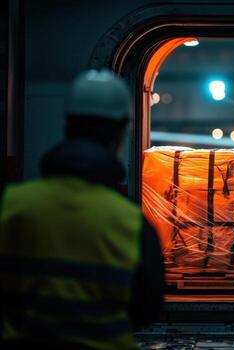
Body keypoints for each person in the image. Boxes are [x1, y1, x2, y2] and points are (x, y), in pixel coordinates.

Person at [0, 70, 165, 349]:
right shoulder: (130, 222)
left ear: (67, 125)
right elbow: (147, 310)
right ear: (122, 132)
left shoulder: (12, 204)